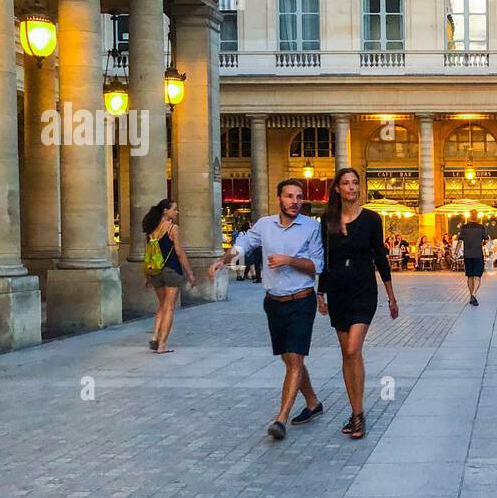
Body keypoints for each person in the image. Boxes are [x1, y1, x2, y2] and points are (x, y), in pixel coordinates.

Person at [209, 179, 326, 440]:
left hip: (301, 300)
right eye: (289, 196)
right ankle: (313, 402)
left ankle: (280, 420)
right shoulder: (264, 225)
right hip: (273, 301)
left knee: (295, 359)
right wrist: (223, 260)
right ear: (279, 198)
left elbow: (317, 265)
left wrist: (289, 260)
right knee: (289, 358)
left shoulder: (310, 227)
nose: (295, 201)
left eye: (298, 197)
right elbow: (243, 244)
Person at [317, 168, 398, 441]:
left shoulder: (372, 219)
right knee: (347, 354)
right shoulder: (327, 220)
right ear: (337, 188)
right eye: (346, 183)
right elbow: (325, 259)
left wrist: (391, 296)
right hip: (338, 289)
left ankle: (358, 412)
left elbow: (381, 257)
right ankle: (357, 412)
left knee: (353, 348)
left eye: (355, 183)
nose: (352, 187)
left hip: (364, 288)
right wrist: (321, 292)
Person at [141, 198, 195, 354]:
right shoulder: (172, 228)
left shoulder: (151, 229)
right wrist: (190, 273)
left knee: (162, 305)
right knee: (169, 307)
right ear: (166, 211)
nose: (176, 212)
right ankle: (162, 344)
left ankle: (154, 336)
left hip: (155, 271)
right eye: (175, 209)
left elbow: (147, 254)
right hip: (171, 269)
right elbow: (179, 253)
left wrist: (146, 275)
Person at [456, 217, 487, 305]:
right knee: (477, 276)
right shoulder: (481, 227)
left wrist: (456, 252)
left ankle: (471, 295)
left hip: (468, 255)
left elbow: (460, 241)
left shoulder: (464, 227)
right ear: (477, 217)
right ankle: (474, 294)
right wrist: (483, 244)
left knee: (470, 276)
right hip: (478, 254)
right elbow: (486, 239)